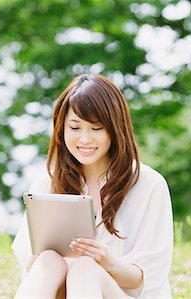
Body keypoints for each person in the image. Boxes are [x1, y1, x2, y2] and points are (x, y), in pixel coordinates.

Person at [11, 74, 173, 298]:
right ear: (61, 129)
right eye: (75, 128)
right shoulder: (45, 185)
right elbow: (31, 270)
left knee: (86, 268)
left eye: (96, 129)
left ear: (115, 129)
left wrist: (107, 262)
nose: (85, 139)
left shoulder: (148, 183)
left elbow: (147, 279)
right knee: (48, 259)